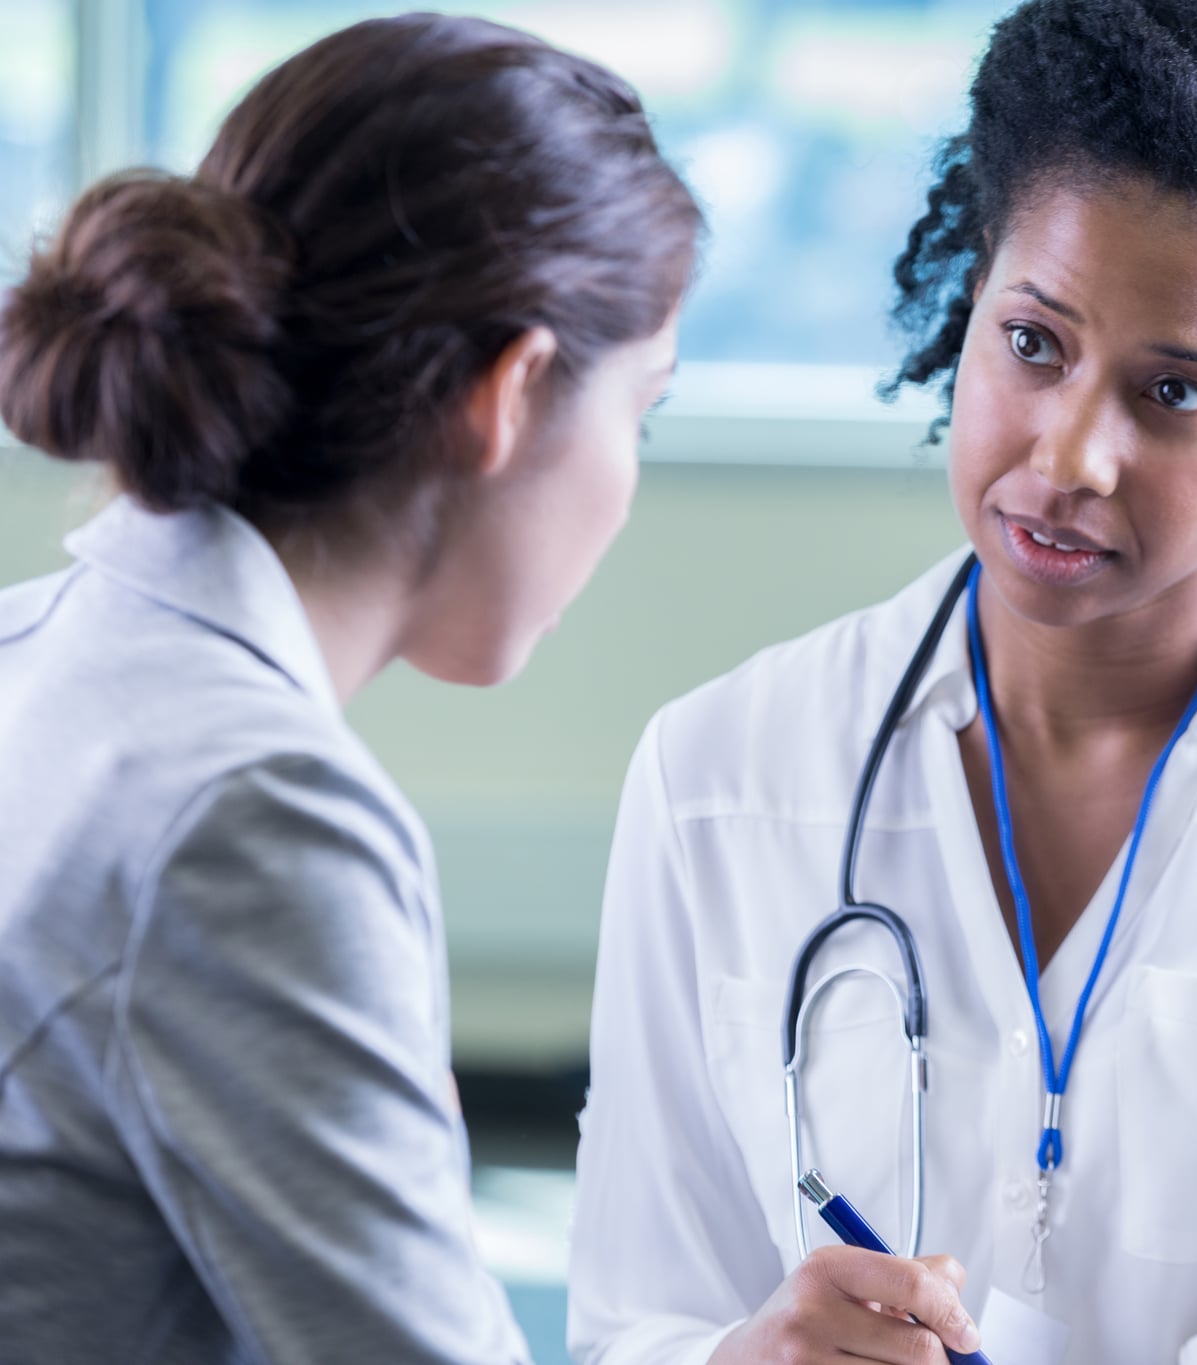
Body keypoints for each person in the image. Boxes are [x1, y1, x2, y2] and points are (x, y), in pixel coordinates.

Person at [567, 1, 1197, 1362]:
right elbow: (639, 1321)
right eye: (1033, 343)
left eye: (1174, 395)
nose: (1070, 456)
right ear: (976, 294)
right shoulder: (719, 771)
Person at [0, 15, 700, 1362]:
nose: (629, 474)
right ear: (514, 391)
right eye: (643, 410)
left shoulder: (38, 649)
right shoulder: (258, 813)